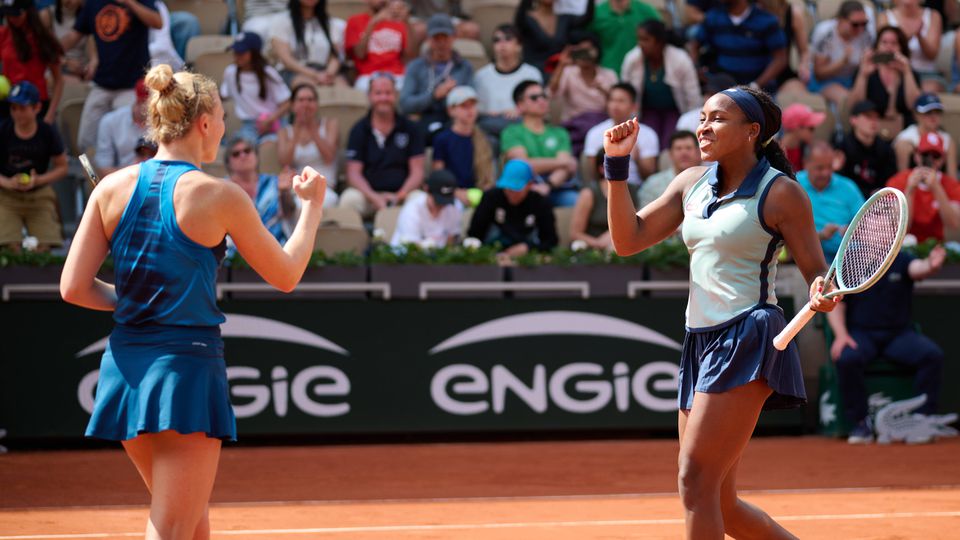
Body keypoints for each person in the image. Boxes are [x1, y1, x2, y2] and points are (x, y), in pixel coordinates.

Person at [59, 64, 327, 539]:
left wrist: (140, 302)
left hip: (124, 373)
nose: (224, 129)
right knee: (173, 528)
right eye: (222, 117)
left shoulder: (110, 189)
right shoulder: (221, 195)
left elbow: (74, 288)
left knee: (192, 523)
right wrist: (311, 208)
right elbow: (286, 274)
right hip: (184, 374)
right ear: (204, 123)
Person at [604, 86, 839, 538]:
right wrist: (617, 166)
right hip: (701, 339)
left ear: (752, 131)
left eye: (717, 119)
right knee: (720, 503)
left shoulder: (782, 193)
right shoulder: (691, 182)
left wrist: (823, 291)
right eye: (702, 117)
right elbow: (627, 240)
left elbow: (818, 272)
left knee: (695, 480)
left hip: (748, 335)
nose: (703, 127)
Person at [827, 246, 946, 444]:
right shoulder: (848, 264)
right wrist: (841, 335)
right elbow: (836, 302)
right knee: (847, 358)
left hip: (898, 335)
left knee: (932, 355)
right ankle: (860, 423)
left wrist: (931, 265)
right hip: (861, 334)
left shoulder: (902, 259)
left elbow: (919, 268)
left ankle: (922, 420)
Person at [60, 0, 162, 155]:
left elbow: (157, 22)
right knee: (85, 143)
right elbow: (75, 34)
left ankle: (125, 178)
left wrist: (130, 2)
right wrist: (48, 51)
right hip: (102, 85)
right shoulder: (93, 3)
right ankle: (90, 178)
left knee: (128, 147)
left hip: (131, 87)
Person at [341, 72, 425, 218]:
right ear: (369, 96)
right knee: (349, 200)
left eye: (388, 93)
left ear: (396, 95)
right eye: (378, 93)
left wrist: (399, 195)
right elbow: (353, 173)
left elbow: (417, 171)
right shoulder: (359, 129)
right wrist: (374, 197)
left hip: (402, 195)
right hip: (368, 196)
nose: (384, 98)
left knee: (421, 200)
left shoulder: (411, 128)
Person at [0, 81, 69, 251]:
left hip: (39, 195)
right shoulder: (3, 129)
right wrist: (7, 183)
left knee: (45, 247)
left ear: (37, 107)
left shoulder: (47, 132)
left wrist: (38, 180)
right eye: (13, 108)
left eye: (22, 108)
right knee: (9, 247)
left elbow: (62, 167)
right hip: (6, 196)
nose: (17, 113)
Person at [620, 19, 700, 149]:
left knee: (670, 142)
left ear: (659, 42)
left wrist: (693, 122)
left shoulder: (680, 59)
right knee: (646, 141)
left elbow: (692, 95)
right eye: (639, 39)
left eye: (645, 40)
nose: (640, 44)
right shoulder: (632, 59)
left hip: (676, 111)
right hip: (646, 111)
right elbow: (625, 93)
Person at [501, 80, 579, 207]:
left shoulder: (560, 133)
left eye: (544, 96)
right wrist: (562, 162)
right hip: (523, 190)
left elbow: (565, 169)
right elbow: (522, 166)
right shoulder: (511, 132)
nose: (541, 100)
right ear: (520, 105)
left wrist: (548, 185)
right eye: (534, 98)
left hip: (556, 188)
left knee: (577, 201)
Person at [398, 13, 474, 140]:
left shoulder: (464, 67)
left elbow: (471, 103)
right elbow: (405, 104)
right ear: (428, 39)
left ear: (454, 37)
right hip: (422, 121)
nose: (441, 43)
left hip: (453, 122)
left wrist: (453, 96)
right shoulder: (416, 66)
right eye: (436, 38)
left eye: (445, 37)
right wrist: (434, 95)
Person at [467, 158, 558, 261]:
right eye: (507, 187)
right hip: (493, 255)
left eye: (516, 188)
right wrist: (489, 255)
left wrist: (528, 248)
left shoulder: (540, 203)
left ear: (529, 184)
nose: (511, 192)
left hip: (528, 260)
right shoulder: (491, 198)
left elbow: (551, 241)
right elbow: (474, 235)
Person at [224, 135, 299, 257]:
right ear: (228, 163)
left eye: (247, 151)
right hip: (234, 258)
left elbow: (289, 213)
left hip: (275, 253)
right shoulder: (222, 189)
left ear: (256, 156)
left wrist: (284, 192)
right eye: (236, 154)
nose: (243, 156)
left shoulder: (274, 182)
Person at [690, 0, 787, 92]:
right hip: (723, 89)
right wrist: (696, 69)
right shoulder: (713, 17)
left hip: (759, 92)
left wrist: (755, 85)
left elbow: (780, 58)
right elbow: (695, 45)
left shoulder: (766, 20)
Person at [796, 141, 865, 261]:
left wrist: (852, 230)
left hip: (848, 256)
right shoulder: (793, 185)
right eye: (820, 168)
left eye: (830, 167)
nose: (826, 173)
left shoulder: (847, 187)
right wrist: (821, 236)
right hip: (806, 258)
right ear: (806, 164)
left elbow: (865, 221)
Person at [886, 131, 960, 242]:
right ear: (916, 155)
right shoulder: (898, 180)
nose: (930, 161)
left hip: (937, 245)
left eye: (935, 156)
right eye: (925, 155)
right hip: (904, 245)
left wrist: (937, 188)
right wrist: (910, 190)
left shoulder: (951, 185)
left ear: (942, 159)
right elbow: (897, 228)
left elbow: (955, 224)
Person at [472, 23, 543, 138]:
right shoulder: (481, 75)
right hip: (491, 126)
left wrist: (520, 110)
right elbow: (476, 110)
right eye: (497, 40)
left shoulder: (532, 74)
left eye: (508, 39)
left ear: (519, 46)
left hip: (521, 125)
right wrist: (491, 114)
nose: (502, 44)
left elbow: (539, 104)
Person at [848, 26, 921, 136]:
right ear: (876, 47)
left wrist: (907, 72)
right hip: (870, 131)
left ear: (901, 47)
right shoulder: (866, 71)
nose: (888, 47)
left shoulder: (910, 73)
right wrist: (863, 75)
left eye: (894, 43)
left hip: (904, 131)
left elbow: (915, 106)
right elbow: (855, 106)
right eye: (884, 42)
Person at [221, 32, 291, 145]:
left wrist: (270, 119)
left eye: (242, 52)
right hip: (249, 126)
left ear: (254, 53)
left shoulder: (268, 73)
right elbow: (223, 95)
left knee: (270, 145)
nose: (237, 56)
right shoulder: (230, 72)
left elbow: (287, 103)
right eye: (235, 52)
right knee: (237, 148)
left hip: (273, 124)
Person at [583, 82, 659, 186]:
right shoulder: (594, 133)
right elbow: (593, 174)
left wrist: (636, 157)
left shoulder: (648, 134)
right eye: (612, 100)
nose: (615, 105)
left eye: (621, 101)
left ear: (634, 106)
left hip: (636, 188)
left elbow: (649, 175)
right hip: (605, 187)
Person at [0, 0, 64, 123]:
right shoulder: (3, 35)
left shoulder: (43, 40)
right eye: (9, 14)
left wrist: (50, 115)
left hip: (36, 106)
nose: (12, 18)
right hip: (8, 105)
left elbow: (59, 80)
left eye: (16, 14)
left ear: (28, 11)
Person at [278, 83, 339, 207]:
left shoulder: (330, 125)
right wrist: (296, 131)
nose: (305, 104)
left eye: (310, 100)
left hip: (325, 187)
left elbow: (329, 157)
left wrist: (312, 128)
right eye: (301, 100)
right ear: (293, 105)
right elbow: (285, 161)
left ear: (316, 104)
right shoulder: (284, 132)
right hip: (298, 188)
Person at [431, 86, 495, 206]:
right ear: (451, 110)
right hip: (452, 195)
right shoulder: (442, 139)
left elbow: (489, 176)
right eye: (464, 106)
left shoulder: (484, 138)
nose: (470, 110)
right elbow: (438, 174)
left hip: (478, 193)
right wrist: (454, 192)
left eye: (472, 105)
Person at [547, 29, 617, 138]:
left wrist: (603, 90)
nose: (584, 55)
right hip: (575, 126)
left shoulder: (609, 75)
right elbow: (552, 93)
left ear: (597, 51)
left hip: (603, 127)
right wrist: (561, 65)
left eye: (588, 51)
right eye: (580, 51)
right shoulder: (568, 72)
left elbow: (618, 103)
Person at [808, 1, 874, 109]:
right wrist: (843, 62)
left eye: (864, 23)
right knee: (850, 102)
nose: (860, 28)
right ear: (841, 20)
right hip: (827, 81)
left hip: (854, 78)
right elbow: (819, 74)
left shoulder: (866, 33)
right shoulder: (825, 33)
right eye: (855, 24)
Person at [570, 149, 637, 250]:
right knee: (578, 246)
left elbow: (634, 224)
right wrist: (598, 244)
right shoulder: (588, 193)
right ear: (602, 168)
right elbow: (575, 233)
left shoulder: (632, 189)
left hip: (620, 244)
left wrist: (610, 236)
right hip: (591, 245)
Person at [271, 0, 347, 87]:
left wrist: (328, 74)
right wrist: (314, 75)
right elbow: (286, 60)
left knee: (342, 88)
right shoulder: (282, 21)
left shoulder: (331, 23)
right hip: (293, 71)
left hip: (324, 71)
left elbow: (335, 56)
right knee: (307, 89)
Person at [345, 0, 417, 91]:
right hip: (367, 76)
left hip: (397, 75)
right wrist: (372, 23)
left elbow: (410, 57)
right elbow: (360, 54)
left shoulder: (399, 22)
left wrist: (407, 23)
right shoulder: (354, 21)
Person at [878, 0, 944, 93]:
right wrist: (909, 36)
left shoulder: (933, 16)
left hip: (926, 74)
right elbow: (882, 54)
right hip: (895, 71)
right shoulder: (884, 16)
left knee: (929, 89)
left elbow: (932, 55)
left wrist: (919, 36)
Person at [514, 0, 594, 77]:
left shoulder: (564, 19)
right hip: (533, 76)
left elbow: (586, 18)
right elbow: (519, 17)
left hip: (558, 77)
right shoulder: (526, 19)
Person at [837, 100, 898, 198]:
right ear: (853, 120)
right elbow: (839, 181)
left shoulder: (885, 149)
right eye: (868, 117)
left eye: (876, 117)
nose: (873, 121)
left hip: (879, 202)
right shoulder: (842, 147)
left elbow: (891, 179)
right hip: (849, 200)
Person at [390, 169, 464, 247]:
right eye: (437, 202)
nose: (441, 206)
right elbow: (412, 249)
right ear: (426, 190)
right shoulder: (411, 211)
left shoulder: (455, 206)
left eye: (446, 202)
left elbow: (451, 240)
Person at [587, 0, 661, 73]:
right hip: (608, 74)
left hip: (640, 73)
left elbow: (663, 38)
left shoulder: (646, 11)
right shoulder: (596, 13)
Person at [95, 79, 150, 177]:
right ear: (140, 101)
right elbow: (103, 169)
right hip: (125, 183)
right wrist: (134, 174)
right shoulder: (111, 121)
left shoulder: (167, 122)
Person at [893, 93, 957, 175]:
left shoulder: (947, 140)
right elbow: (901, 180)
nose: (933, 116)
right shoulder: (905, 139)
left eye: (937, 112)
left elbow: (953, 180)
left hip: (939, 185)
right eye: (928, 112)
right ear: (916, 115)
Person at [639, 130, 700, 209]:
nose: (684, 153)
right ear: (670, 154)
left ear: (698, 153)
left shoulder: (710, 181)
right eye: (678, 148)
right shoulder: (653, 184)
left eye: (688, 148)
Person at [779, 103, 826, 175]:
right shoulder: (775, 152)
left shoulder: (808, 149)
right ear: (797, 128)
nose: (814, 132)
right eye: (811, 128)